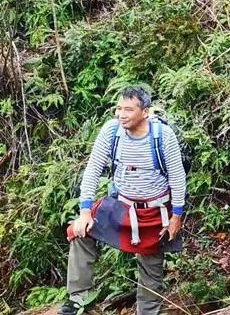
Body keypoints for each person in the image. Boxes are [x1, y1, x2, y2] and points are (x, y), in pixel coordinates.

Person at [59, 87, 186, 315]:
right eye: (119, 108)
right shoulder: (112, 131)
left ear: (145, 112)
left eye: (129, 109)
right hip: (122, 205)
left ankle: (148, 312)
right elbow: (93, 170)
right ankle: (80, 299)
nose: (121, 114)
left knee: (151, 264)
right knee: (79, 231)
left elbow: (177, 177)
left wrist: (177, 216)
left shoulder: (162, 136)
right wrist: (85, 210)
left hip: (156, 209)